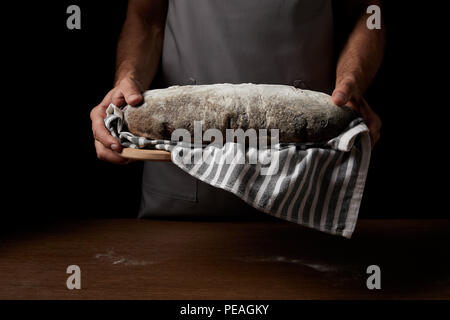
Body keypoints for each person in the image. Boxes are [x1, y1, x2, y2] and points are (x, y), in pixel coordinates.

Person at [90, 0, 384, 218]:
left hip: (305, 175)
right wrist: (126, 82)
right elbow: (146, 17)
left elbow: (368, 12)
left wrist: (351, 82)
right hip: (180, 182)